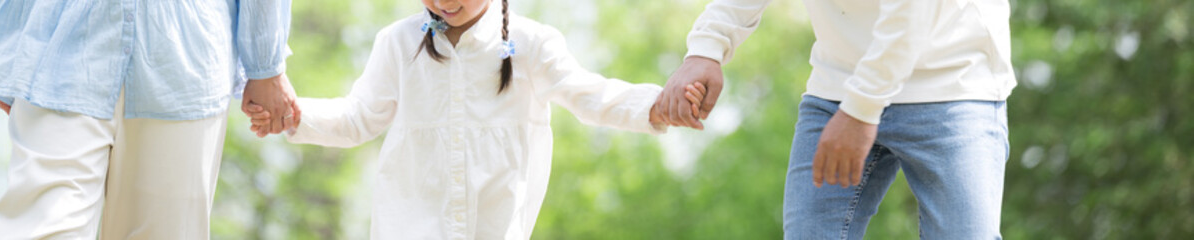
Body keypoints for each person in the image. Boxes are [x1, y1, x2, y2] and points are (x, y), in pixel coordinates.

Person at [241, 0, 706, 238]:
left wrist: (656, 105)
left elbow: (590, 95)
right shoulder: (397, 44)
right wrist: (292, 116)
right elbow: (358, 118)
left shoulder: (532, 44)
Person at [0, 0, 297, 238]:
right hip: (66, 49)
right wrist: (9, 45)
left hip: (185, 56)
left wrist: (266, 62)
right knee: (36, 228)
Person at [659, 0, 1016, 239]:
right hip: (838, 83)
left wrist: (861, 109)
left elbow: (911, 11)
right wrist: (707, 48)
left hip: (952, 81)